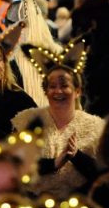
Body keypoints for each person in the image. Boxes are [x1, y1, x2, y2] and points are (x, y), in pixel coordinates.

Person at [11, 65, 103, 199]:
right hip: (33, 204)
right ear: (46, 91)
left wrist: (76, 156)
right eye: (52, 86)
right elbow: (16, 165)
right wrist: (53, 164)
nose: (58, 91)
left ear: (77, 91)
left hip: (79, 205)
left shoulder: (96, 126)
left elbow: (103, 174)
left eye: (64, 86)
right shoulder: (26, 121)